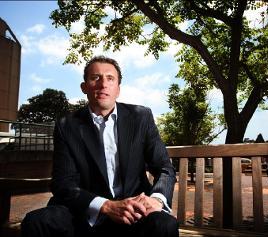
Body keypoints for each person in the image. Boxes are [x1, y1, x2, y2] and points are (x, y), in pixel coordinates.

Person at [21, 56, 179, 237]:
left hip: (135, 212)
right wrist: (106, 206)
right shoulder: (67, 125)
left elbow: (164, 169)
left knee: (164, 225)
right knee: (37, 222)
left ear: (118, 89)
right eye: (95, 77)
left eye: (110, 78)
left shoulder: (141, 117)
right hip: (86, 214)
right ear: (84, 87)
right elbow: (63, 183)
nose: (103, 84)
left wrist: (156, 200)